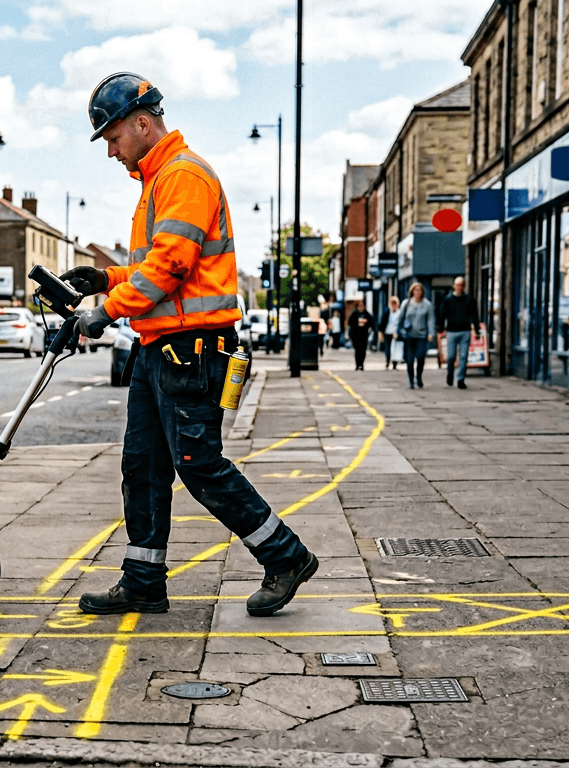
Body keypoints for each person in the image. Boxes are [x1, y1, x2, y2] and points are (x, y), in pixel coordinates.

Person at [60, 72, 317, 618]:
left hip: (193, 351)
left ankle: (285, 555)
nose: (110, 151)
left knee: (199, 462)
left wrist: (105, 312)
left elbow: (170, 267)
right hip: (160, 351)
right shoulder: (157, 180)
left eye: (112, 137)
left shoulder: (182, 175)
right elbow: (160, 264)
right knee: (143, 465)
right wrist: (104, 280)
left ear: (143, 122)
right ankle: (144, 579)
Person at [437, 276, 481, 389]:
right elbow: (442, 314)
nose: (459, 287)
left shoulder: (469, 299)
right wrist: (441, 328)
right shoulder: (448, 299)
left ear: (464, 286)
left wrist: (477, 330)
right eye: (457, 285)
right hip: (451, 331)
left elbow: (475, 315)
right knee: (451, 356)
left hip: (465, 331)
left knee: (463, 356)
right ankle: (450, 373)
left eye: (461, 285)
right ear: (454, 286)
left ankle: (461, 379)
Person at [399, 282, 435, 389]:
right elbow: (401, 318)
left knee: (420, 357)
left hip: (422, 336)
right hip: (409, 336)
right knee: (409, 360)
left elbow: (430, 320)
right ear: (412, 291)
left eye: (419, 290)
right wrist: (398, 331)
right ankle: (411, 380)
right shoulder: (406, 303)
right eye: (415, 290)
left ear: (422, 292)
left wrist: (431, 333)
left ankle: (418, 376)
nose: (417, 292)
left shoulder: (427, 305)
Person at [346, 300, 374, 370]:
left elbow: (371, 323)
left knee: (363, 350)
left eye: (362, 306)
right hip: (356, 335)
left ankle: (361, 364)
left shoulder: (367, 314)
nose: (361, 308)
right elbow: (350, 323)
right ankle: (357, 364)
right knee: (357, 350)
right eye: (360, 306)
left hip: (364, 335)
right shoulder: (354, 314)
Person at [379, 295, 402, 370]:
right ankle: (388, 361)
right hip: (387, 332)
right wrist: (381, 333)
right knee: (388, 348)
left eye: (395, 303)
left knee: (395, 348)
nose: (393, 305)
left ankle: (394, 363)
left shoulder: (400, 313)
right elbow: (382, 323)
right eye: (392, 303)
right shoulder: (387, 311)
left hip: (395, 333)